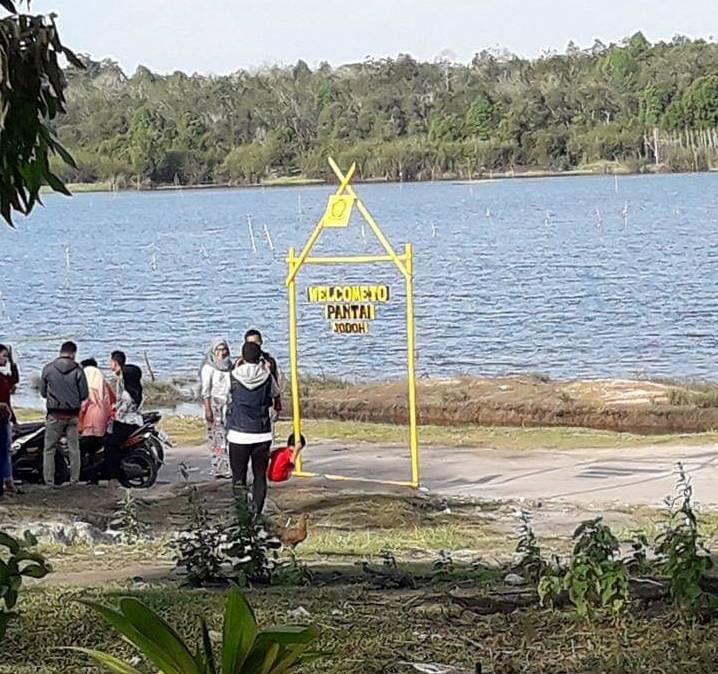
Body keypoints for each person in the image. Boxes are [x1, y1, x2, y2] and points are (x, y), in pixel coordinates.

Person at [227, 341, 280, 514]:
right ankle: (257, 512)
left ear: (242, 357)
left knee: (238, 477)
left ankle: (242, 513)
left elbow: (223, 396)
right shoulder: (266, 377)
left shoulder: (233, 376)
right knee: (259, 476)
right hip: (261, 433)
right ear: (259, 358)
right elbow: (275, 393)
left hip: (238, 434)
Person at [40, 341, 89, 487]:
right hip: (73, 415)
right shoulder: (78, 370)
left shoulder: (48, 369)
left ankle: (49, 481)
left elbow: (43, 393)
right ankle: (74, 480)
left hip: (54, 415)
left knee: (49, 449)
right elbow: (84, 394)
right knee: (74, 449)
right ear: (73, 353)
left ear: (60, 351)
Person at [104, 351, 143, 475]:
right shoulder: (134, 390)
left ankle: (114, 472)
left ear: (115, 363)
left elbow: (120, 411)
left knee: (110, 445)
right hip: (133, 420)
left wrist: (111, 414)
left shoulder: (127, 394)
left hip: (126, 422)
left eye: (111, 361)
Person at [79, 358, 115, 483]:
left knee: (83, 449)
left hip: (89, 424)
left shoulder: (87, 388)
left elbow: (83, 406)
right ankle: (94, 477)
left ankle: (84, 475)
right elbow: (113, 401)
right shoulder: (103, 384)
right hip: (103, 423)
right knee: (95, 451)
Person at [200, 338, 232, 479]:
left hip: (228, 403)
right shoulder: (208, 368)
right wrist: (208, 409)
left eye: (224, 349)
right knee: (217, 438)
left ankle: (226, 467)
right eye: (218, 350)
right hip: (214, 404)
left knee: (227, 436)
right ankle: (219, 468)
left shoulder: (229, 365)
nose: (221, 353)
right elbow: (206, 390)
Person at [244, 329, 282, 422]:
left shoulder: (269, 361)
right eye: (250, 343)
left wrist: (277, 402)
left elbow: (276, 380)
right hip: (247, 404)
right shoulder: (241, 362)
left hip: (266, 402)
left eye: (256, 343)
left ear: (261, 342)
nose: (254, 346)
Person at [0, 344, 19, 497]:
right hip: (1, 418)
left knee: (6, 451)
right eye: (4, 356)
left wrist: (13, 363)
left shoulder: (3, 377)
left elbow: (14, 380)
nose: (5, 359)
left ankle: (8, 481)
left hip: (5, 418)